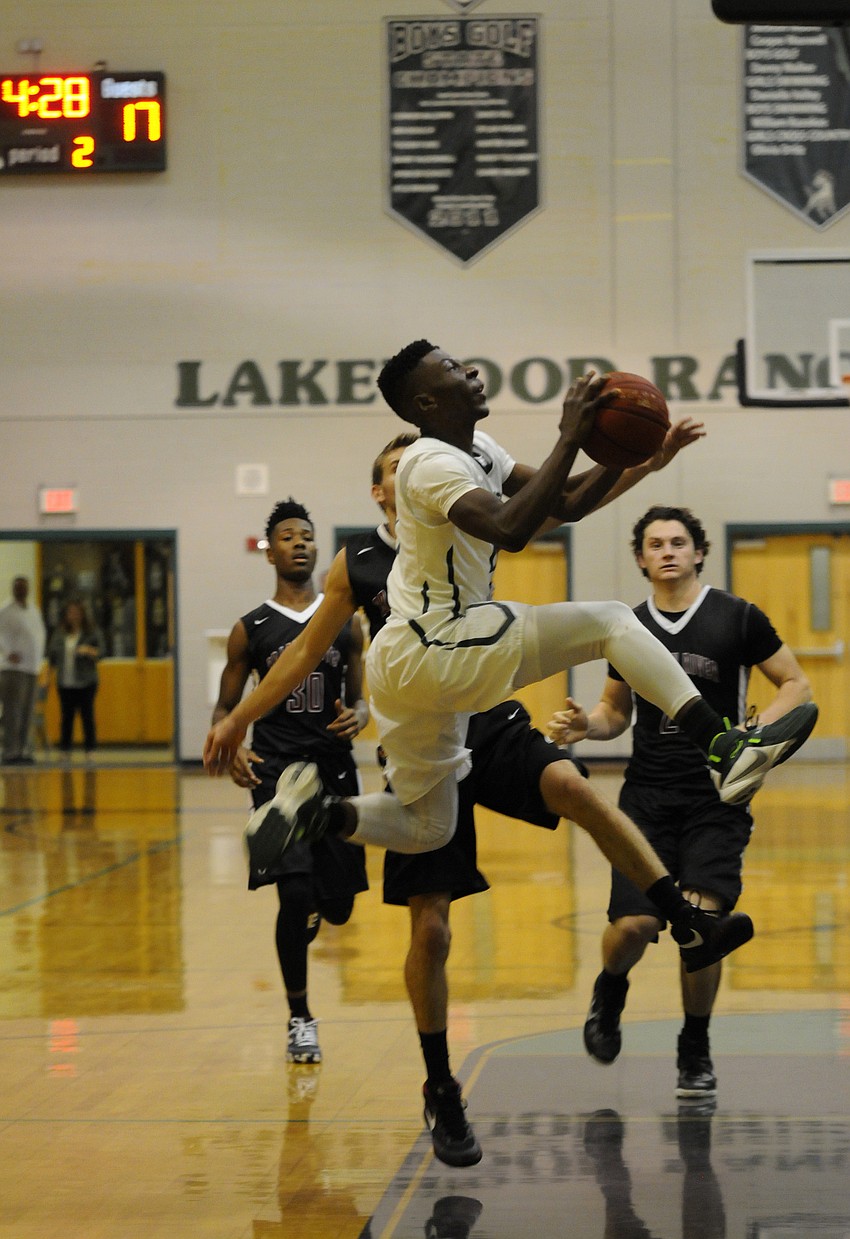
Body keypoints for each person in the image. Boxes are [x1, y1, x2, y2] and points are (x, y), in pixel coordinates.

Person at [204, 423, 781, 1166]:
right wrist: (236, 720)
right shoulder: (362, 561)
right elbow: (306, 653)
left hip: (488, 714)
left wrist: (646, 461)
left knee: (572, 784)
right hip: (420, 735)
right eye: (398, 466)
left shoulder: (468, 522)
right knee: (433, 931)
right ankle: (440, 1083)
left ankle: (680, 916)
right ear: (385, 489)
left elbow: (559, 505)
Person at [549, 505, 813, 1100]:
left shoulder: (738, 617)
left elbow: (796, 684)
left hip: (717, 799)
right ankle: (609, 991)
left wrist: (755, 737)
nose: (667, 550)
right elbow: (615, 712)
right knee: (635, 927)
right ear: (640, 558)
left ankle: (695, 1046)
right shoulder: (627, 627)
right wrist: (583, 727)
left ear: (698, 552)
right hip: (646, 797)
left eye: (678, 541)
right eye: (654, 543)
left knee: (705, 928)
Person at [212, 498, 369, 1066]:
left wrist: (363, 713)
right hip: (276, 772)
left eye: (306, 535)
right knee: (294, 890)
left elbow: (360, 696)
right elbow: (227, 707)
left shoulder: (344, 620)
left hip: (334, 769)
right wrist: (229, 747)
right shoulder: (249, 629)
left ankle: (313, 907)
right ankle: (300, 1017)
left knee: (341, 906)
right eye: (287, 536)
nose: (299, 543)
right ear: (270, 550)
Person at [46, 599, 104, 759]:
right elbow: (52, 656)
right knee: (66, 717)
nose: (74, 616)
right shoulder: (60, 633)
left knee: (87, 716)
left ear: (83, 614)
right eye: (70, 612)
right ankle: (65, 750)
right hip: (65, 682)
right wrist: (48, 677)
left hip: (86, 682)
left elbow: (102, 652)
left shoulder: (91, 632)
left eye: (77, 612)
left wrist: (89, 651)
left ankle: (90, 750)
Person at [0, 576, 46, 765]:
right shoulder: (6, 610)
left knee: (28, 711)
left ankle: (25, 750)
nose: (21, 590)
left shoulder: (33, 610)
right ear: (13, 588)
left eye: (24, 587)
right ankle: (11, 751)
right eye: (18, 587)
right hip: (13, 669)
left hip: (31, 668)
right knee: (13, 712)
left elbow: (38, 634)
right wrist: (7, 652)